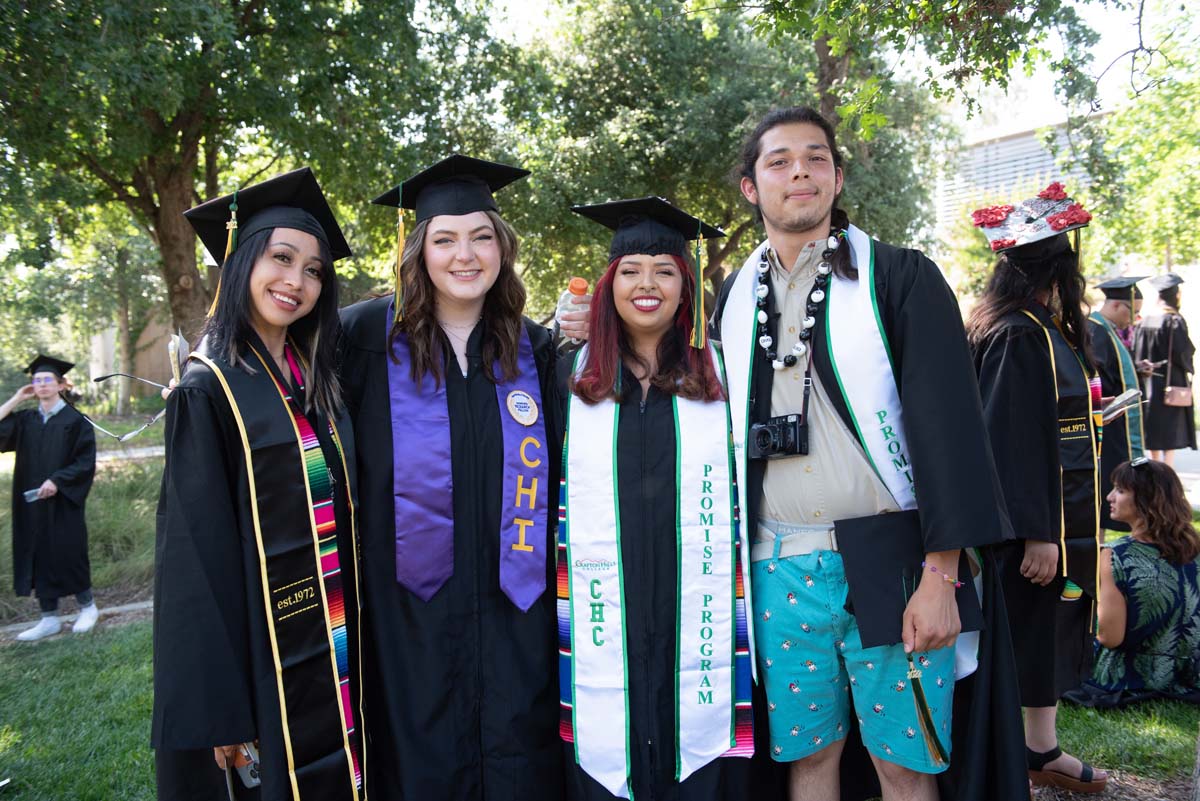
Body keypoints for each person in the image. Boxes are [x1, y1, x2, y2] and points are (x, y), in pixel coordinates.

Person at [712, 105, 1026, 801]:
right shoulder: (734, 297)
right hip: (777, 565)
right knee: (808, 758)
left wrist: (941, 575)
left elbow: (951, 431)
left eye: (816, 158)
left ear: (838, 175)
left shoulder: (899, 278)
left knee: (905, 766)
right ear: (749, 187)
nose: (800, 171)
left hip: (896, 561)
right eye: (779, 161)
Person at [339, 155, 564, 800]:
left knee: (517, 745)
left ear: (503, 247)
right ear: (418, 251)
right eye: (444, 239)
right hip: (405, 608)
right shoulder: (361, 339)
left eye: (481, 236)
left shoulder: (535, 349)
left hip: (516, 606)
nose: (464, 255)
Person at [152, 168, 364, 801]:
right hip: (259, 659)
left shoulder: (315, 375)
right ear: (243, 259)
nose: (296, 282)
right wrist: (220, 706)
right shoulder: (207, 388)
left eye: (314, 270)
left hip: (335, 637)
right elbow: (191, 559)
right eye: (281, 258)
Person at [559, 197, 754, 800]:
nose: (647, 284)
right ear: (607, 284)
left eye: (665, 270)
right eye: (631, 269)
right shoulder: (565, 373)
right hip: (602, 605)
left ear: (686, 286)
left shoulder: (725, 375)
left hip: (695, 605)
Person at [966, 184, 1109, 794]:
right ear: (1059, 270)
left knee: (1041, 627)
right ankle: (1015, 755)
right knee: (1024, 629)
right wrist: (1037, 534)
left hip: (1051, 516)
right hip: (1031, 530)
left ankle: (1038, 747)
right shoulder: (1021, 335)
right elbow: (1010, 442)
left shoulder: (1028, 327)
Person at [1066, 457, 1200, 707]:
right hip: (1189, 674)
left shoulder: (1116, 556)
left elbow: (1110, 638)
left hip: (1130, 676)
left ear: (1147, 500)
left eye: (1120, 490)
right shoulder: (1195, 548)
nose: (1109, 497)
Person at [0, 354, 98, 641]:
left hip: (64, 500)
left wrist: (58, 480)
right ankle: (49, 618)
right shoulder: (26, 420)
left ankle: (87, 607)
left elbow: (85, 461)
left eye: (47, 380)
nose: (41, 385)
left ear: (60, 385)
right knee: (37, 551)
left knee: (69, 550)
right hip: (30, 502)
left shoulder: (76, 420)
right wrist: (18, 398)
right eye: (36, 381)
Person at [1087, 276, 1147, 533]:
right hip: (1106, 425)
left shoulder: (1104, 329)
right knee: (1105, 488)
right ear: (1116, 306)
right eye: (1132, 311)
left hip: (1112, 422)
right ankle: (1098, 545)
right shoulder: (1095, 330)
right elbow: (1094, 375)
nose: (1133, 319)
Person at [1134, 273, 1196, 466]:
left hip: (1148, 379)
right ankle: (1168, 468)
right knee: (1169, 427)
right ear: (1175, 295)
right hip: (1170, 381)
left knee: (1153, 425)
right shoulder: (1173, 320)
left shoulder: (1144, 321)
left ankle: (1154, 464)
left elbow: (1136, 350)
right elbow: (1183, 351)